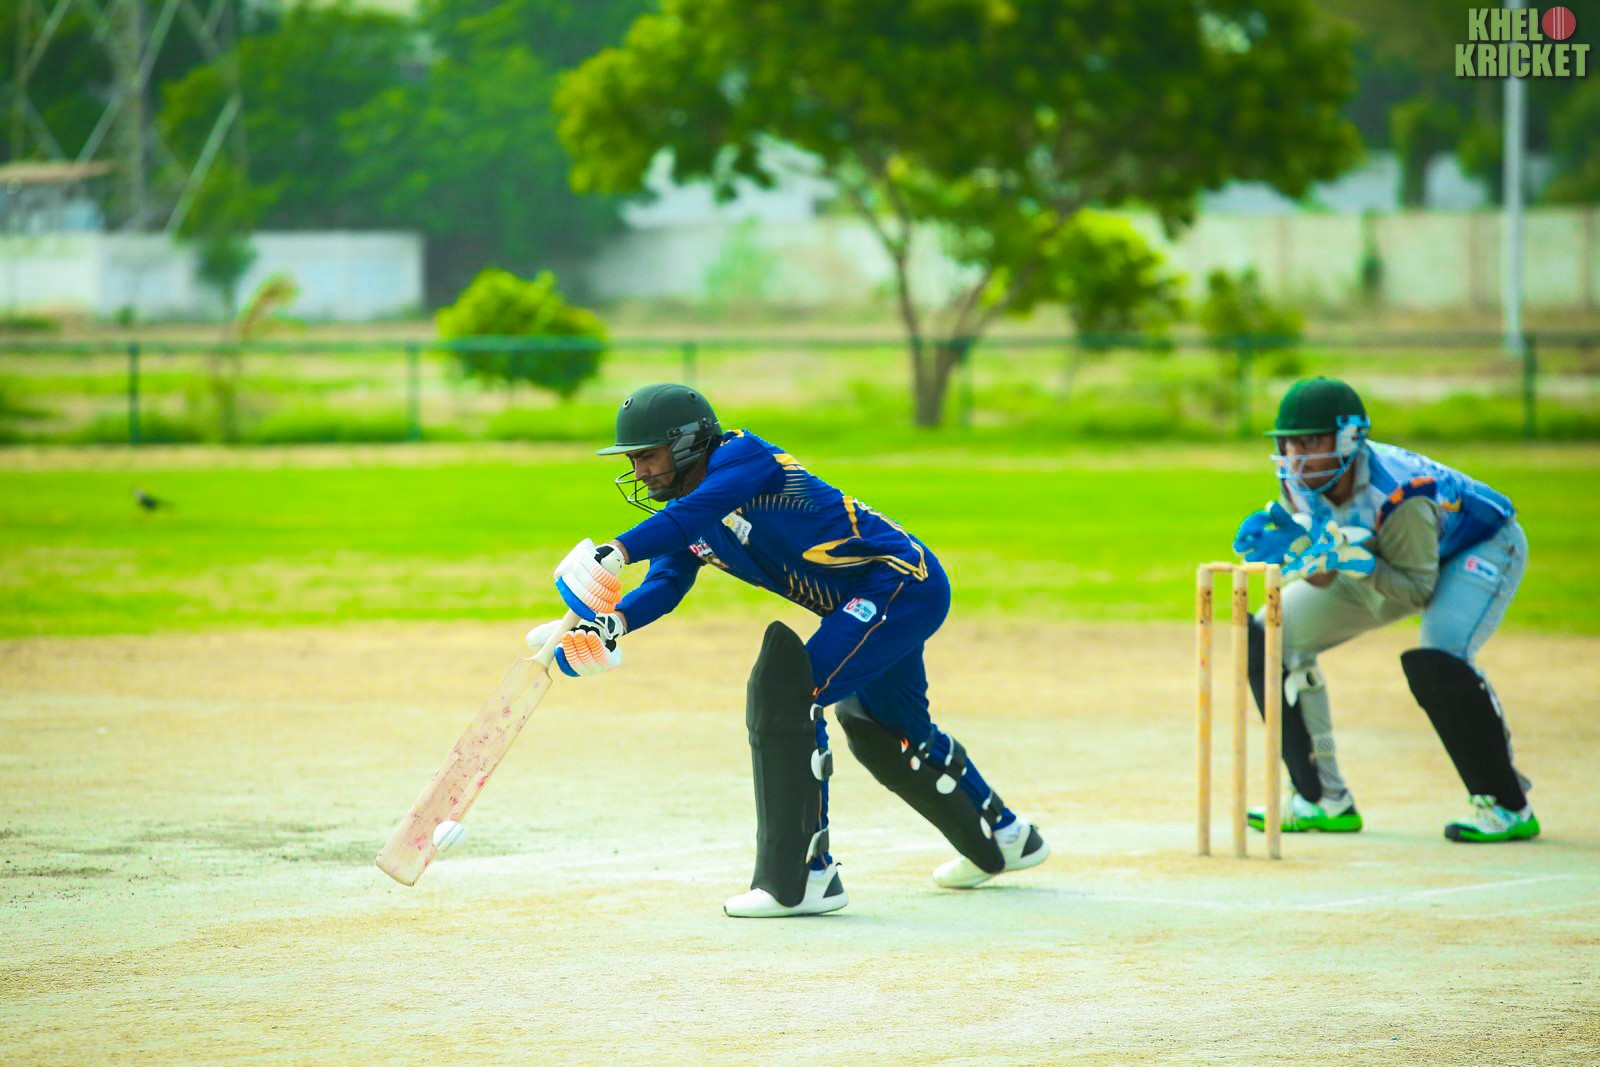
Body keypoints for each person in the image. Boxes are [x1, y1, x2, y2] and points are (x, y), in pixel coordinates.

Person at [528, 383, 1049, 917]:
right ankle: (1004, 838)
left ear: (686, 443)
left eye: (648, 456)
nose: (639, 471)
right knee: (883, 730)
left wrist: (617, 549)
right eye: (633, 460)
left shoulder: (743, 457)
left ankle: (806, 878)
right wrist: (609, 624)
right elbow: (666, 581)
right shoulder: (685, 511)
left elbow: (692, 515)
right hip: (867, 600)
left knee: (790, 698)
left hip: (899, 583)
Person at [1233, 376, 1538, 843]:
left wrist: (1352, 559)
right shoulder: (1297, 480)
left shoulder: (1400, 494)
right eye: (1288, 443)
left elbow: (1416, 590)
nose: (1295, 455)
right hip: (1382, 557)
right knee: (1272, 636)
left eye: (1309, 442)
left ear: (1348, 439)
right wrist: (1306, 555)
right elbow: (1325, 577)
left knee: (1438, 658)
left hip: (1479, 547)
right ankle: (1323, 798)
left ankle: (1507, 804)